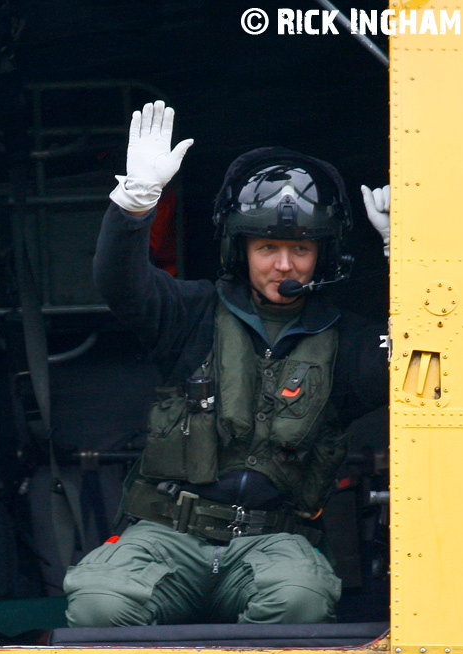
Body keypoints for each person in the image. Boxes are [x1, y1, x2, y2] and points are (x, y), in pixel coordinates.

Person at [63, 101, 390, 627]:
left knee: (298, 599)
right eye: (268, 247)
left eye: (300, 249)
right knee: (100, 602)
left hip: (271, 543)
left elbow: (430, 359)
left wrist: (413, 252)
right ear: (241, 250)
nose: (284, 264)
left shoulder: (348, 341)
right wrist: (134, 206)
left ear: (322, 256)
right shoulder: (191, 313)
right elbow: (119, 283)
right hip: (167, 537)